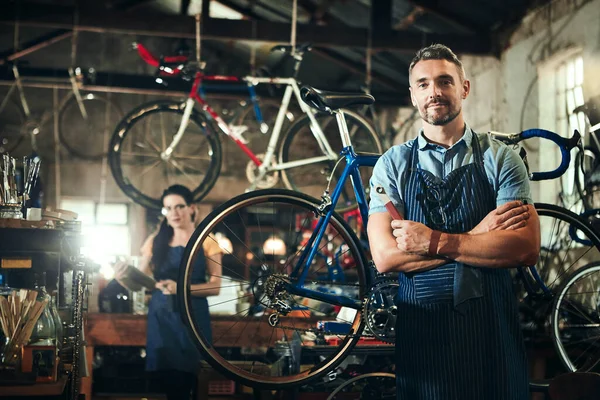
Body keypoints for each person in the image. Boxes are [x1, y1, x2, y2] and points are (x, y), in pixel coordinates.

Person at [367, 44, 540, 399]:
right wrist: (478, 236)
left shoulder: (502, 159)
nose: (435, 92)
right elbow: (386, 257)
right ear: (413, 96)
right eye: (424, 84)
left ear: (464, 88)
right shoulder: (393, 165)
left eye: (445, 81)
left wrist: (432, 241)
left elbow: (524, 248)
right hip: (423, 335)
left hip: (491, 331)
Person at [116, 184, 222, 400]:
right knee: (169, 383)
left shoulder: (207, 241)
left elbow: (216, 287)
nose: (174, 213)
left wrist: (181, 288)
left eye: (179, 206)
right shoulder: (156, 241)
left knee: (193, 378)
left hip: (194, 317)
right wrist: (121, 276)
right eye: (168, 208)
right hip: (162, 316)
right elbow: (139, 283)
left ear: (192, 208)